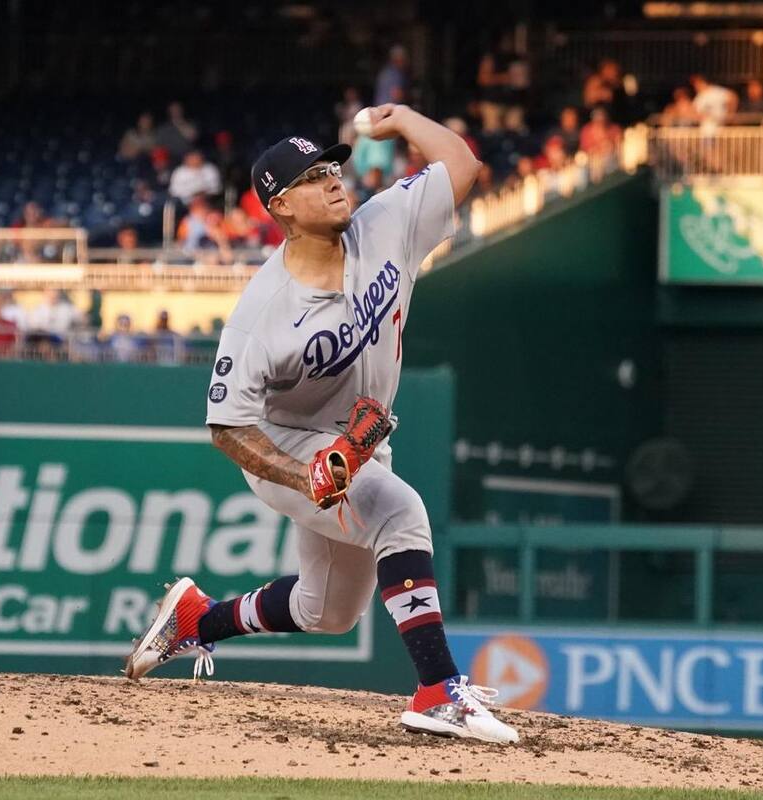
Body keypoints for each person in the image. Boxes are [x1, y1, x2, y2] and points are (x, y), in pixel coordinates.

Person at [125, 107, 519, 745]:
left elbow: (463, 165)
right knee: (400, 515)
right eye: (311, 177)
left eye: (333, 168)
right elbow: (227, 426)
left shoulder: (384, 224)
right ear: (279, 205)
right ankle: (439, 693)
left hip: (357, 448)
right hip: (288, 446)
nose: (333, 181)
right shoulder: (262, 313)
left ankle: (198, 620)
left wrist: (403, 119)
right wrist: (300, 475)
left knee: (329, 610)